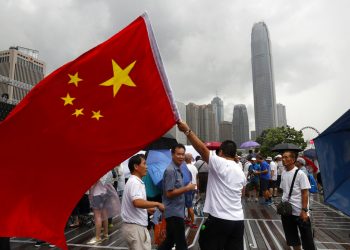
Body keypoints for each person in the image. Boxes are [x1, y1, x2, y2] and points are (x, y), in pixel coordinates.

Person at [177, 121, 246, 250]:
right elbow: (242, 193)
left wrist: (187, 131)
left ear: (221, 152)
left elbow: (203, 149)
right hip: (238, 220)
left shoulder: (220, 163)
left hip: (219, 220)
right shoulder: (239, 170)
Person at [121, 154, 164, 250]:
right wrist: (157, 203)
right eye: (144, 164)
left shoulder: (134, 181)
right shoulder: (135, 182)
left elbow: (135, 203)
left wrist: (148, 209)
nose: (146, 167)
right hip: (136, 228)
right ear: (136, 167)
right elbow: (136, 202)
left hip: (134, 227)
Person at [158, 144, 196, 250]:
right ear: (172, 154)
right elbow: (169, 193)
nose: (181, 157)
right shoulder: (170, 171)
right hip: (173, 212)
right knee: (181, 243)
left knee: (170, 241)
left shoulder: (178, 169)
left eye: (183, 154)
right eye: (178, 154)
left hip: (177, 211)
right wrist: (187, 188)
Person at [280, 150, 316, 250]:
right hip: (287, 211)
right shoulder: (283, 173)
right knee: (293, 239)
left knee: (307, 240)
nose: (283, 159)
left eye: (286, 157)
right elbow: (284, 191)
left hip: (300, 212)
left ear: (293, 159)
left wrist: (304, 210)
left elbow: (305, 193)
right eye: (283, 157)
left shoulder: (300, 174)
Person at [184, 153, 198, 228]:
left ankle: (193, 222)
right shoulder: (194, 167)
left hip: (188, 188)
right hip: (194, 187)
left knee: (189, 206)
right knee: (190, 205)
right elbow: (196, 178)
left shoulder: (184, 167)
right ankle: (189, 219)